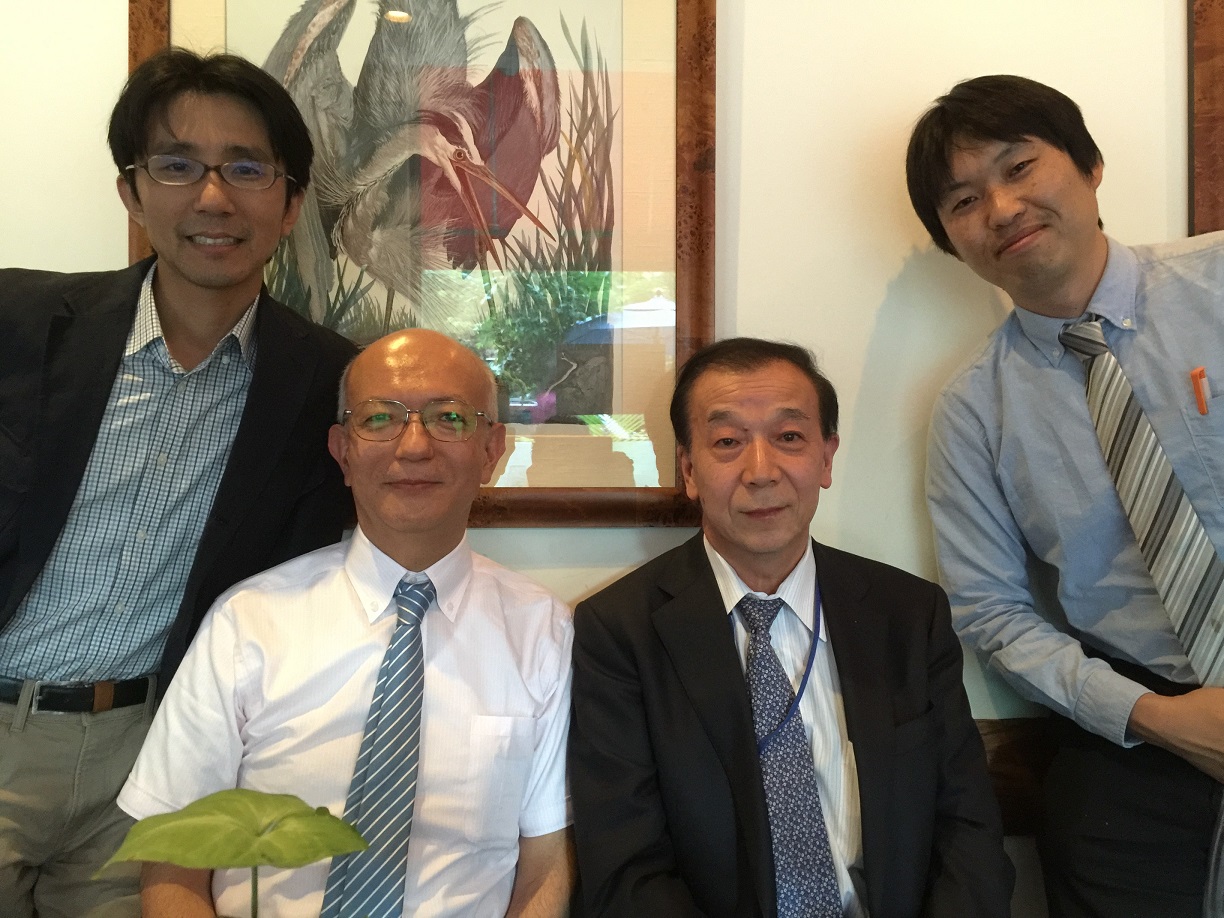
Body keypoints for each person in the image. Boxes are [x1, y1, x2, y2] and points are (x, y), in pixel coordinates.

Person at [0, 48, 356, 917]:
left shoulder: (325, 384)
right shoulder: (17, 322)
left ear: (291, 201)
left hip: (155, 761)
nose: (213, 198)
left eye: (247, 168)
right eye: (177, 166)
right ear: (131, 191)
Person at [119, 328, 575, 918]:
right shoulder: (247, 622)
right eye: (380, 419)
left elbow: (547, 860)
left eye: (450, 419)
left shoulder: (544, 633)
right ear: (343, 452)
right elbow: (172, 858)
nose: (414, 446)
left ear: (492, 450)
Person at [907, 74, 1224, 918]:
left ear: (1089, 165)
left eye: (1020, 167)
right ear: (951, 241)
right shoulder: (973, 411)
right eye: (964, 201)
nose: (1002, 208)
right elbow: (991, 613)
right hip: (1145, 730)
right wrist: (1157, 717)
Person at [568, 337, 1013, 918]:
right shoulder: (619, 631)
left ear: (826, 458)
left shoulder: (909, 614)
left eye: (789, 437)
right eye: (727, 442)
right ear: (689, 469)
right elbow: (627, 870)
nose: (761, 472)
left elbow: (968, 832)